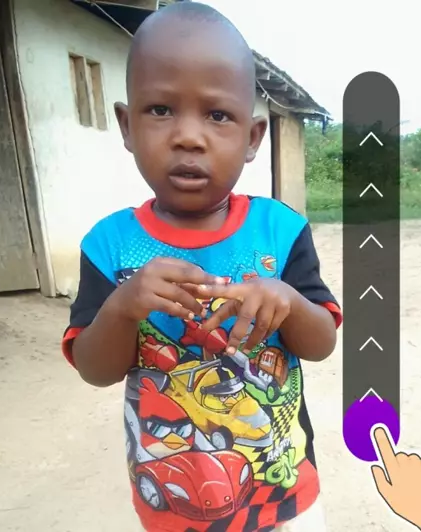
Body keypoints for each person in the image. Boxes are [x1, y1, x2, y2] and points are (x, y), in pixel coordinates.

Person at [62, 2, 342, 531]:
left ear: (252, 138)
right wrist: (123, 308)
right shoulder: (109, 246)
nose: (189, 136)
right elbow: (96, 371)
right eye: (160, 109)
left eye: (217, 115)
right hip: (175, 507)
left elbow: (322, 342)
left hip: (284, 498)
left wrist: (287, 300)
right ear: (126, 125)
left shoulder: (279, 232)